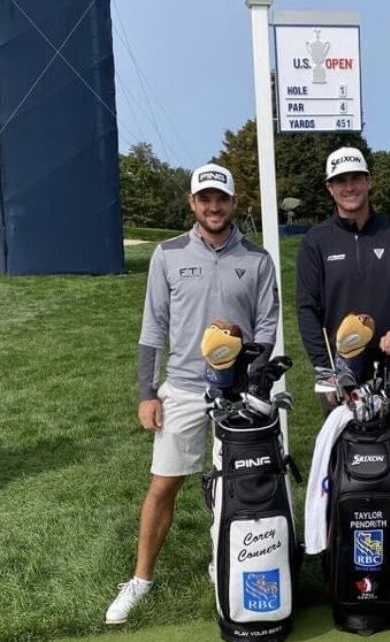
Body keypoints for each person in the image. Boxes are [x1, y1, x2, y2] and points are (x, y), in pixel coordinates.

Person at [105, 163, 279, 624]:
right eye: (205, 199)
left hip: (237, 394)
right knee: (164, 485)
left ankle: (226, 560)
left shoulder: (258, 259)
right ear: (192, 204)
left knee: (240, 485)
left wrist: (248, 356)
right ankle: (141, 580)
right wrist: (147, 392)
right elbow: (153, 327)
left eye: (221, 198)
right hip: (182, 389)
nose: (213, 206)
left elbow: (267, 326)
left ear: (234, 203)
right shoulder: (167, 253)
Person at [296, 146, 390, 449]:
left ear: (369, 181)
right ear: (330, 188)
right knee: (345, 459)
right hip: (340, 369)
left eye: (356, 178)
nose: (349, 187)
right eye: (341, 180)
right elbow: (307, 309)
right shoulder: (315, 241)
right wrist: (324, 368)